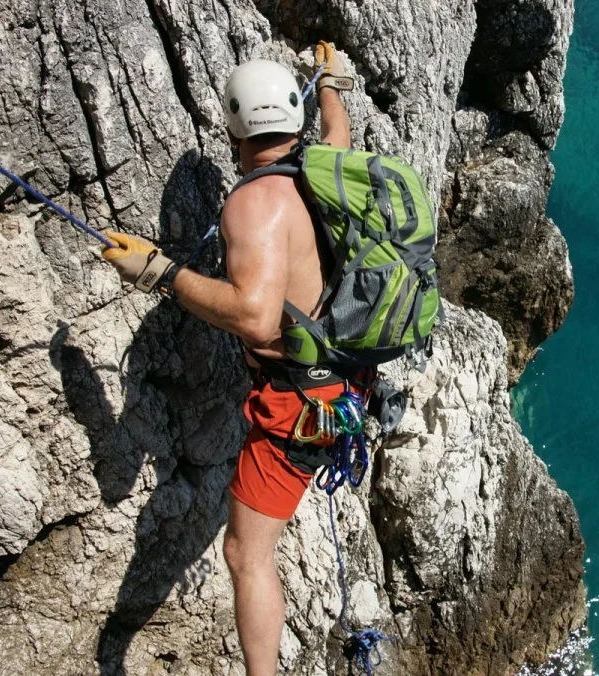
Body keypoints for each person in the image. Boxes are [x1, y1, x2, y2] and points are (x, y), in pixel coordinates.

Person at [99, 43, 356, 675]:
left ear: (234, 125)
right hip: (342, 379)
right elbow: (340, 132)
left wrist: (160, 272)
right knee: (252, 548)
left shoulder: (254, 203)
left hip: (296, 405)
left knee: (246, 555)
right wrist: (331, 85)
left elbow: (254, 316)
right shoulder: (328, 169)